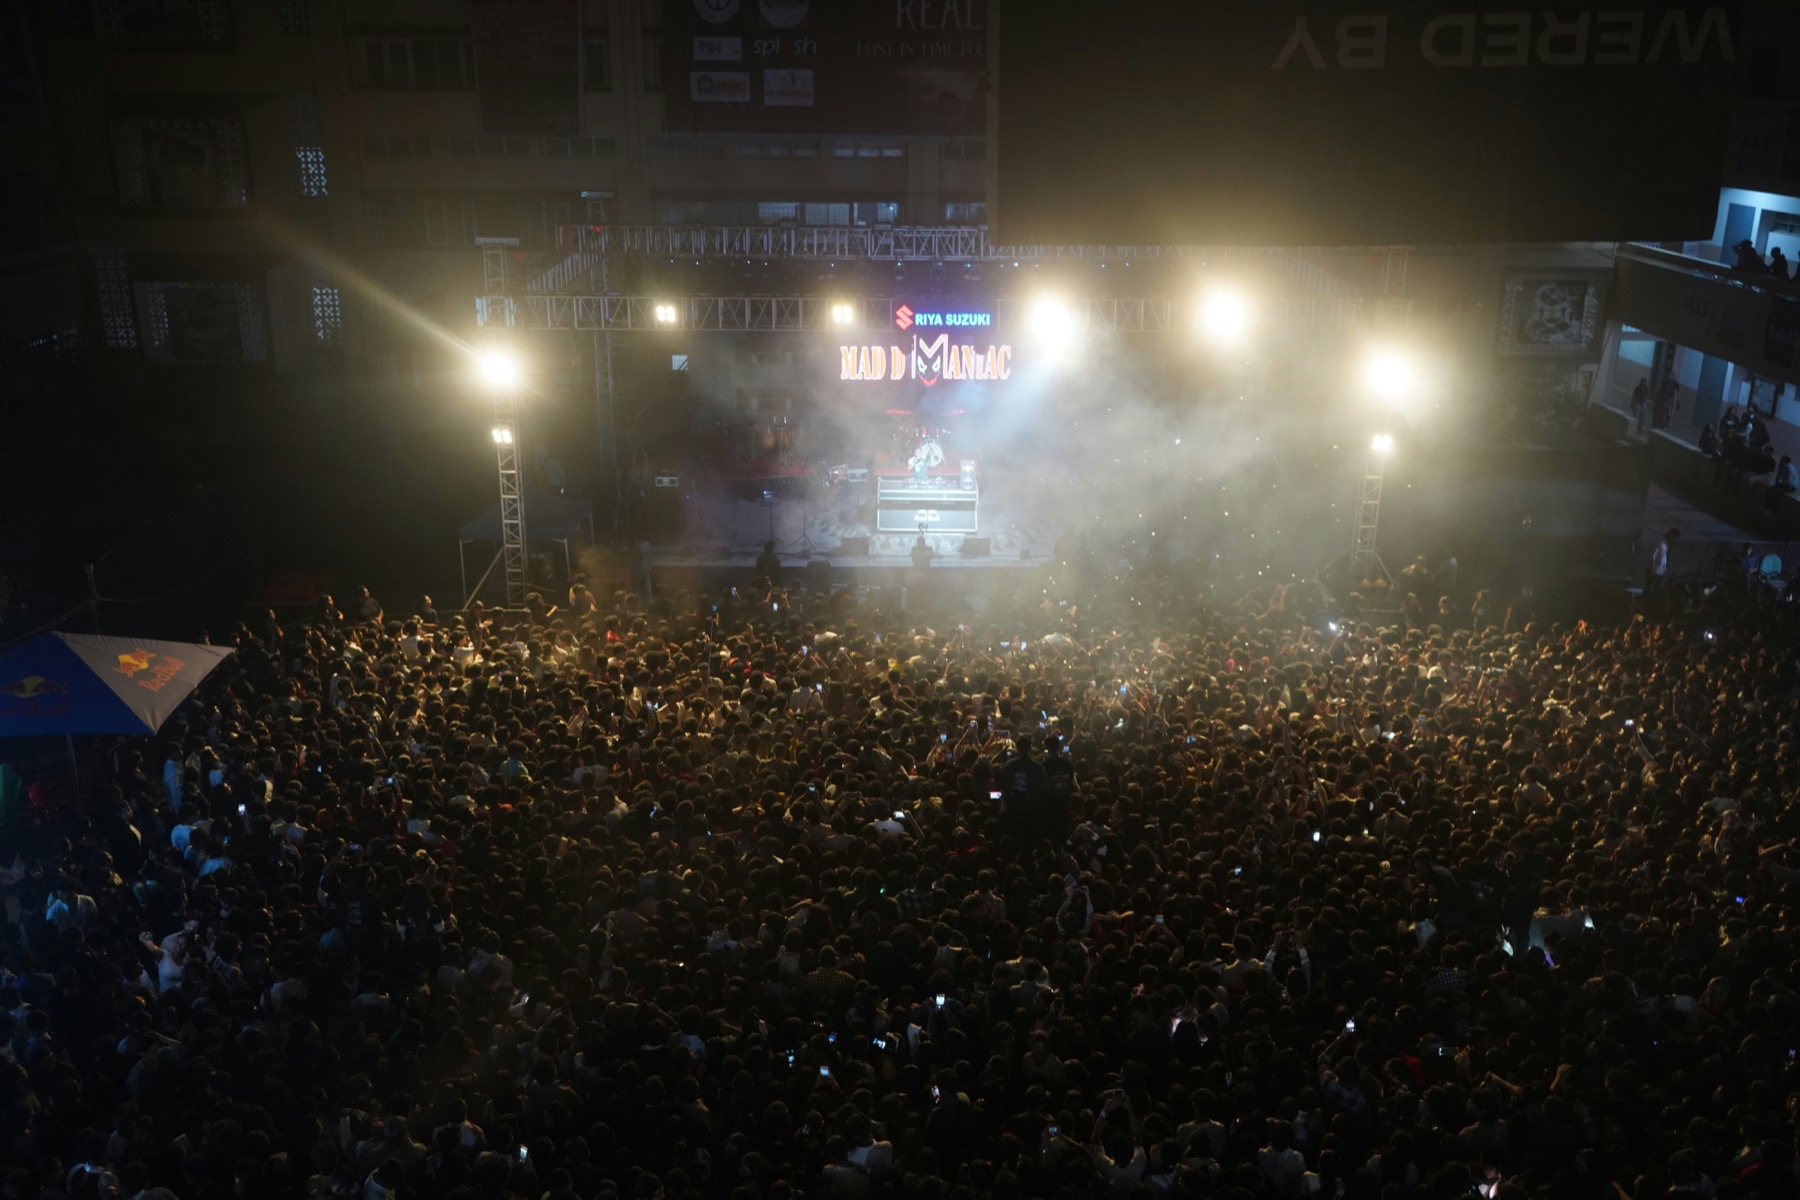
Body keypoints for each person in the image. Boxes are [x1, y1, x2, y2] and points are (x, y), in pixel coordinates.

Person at [1648, 526, 1678, 593]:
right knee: (1652, 587)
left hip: (1660, 570)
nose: (1673, 540)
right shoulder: (1660, 541)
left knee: (1658, 587)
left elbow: (1663, 556)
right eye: (1674, 538)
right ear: (1671, 535)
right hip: (1655, 569)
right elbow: (1653, 555)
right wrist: (1652, 568)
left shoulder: (1667, 543)